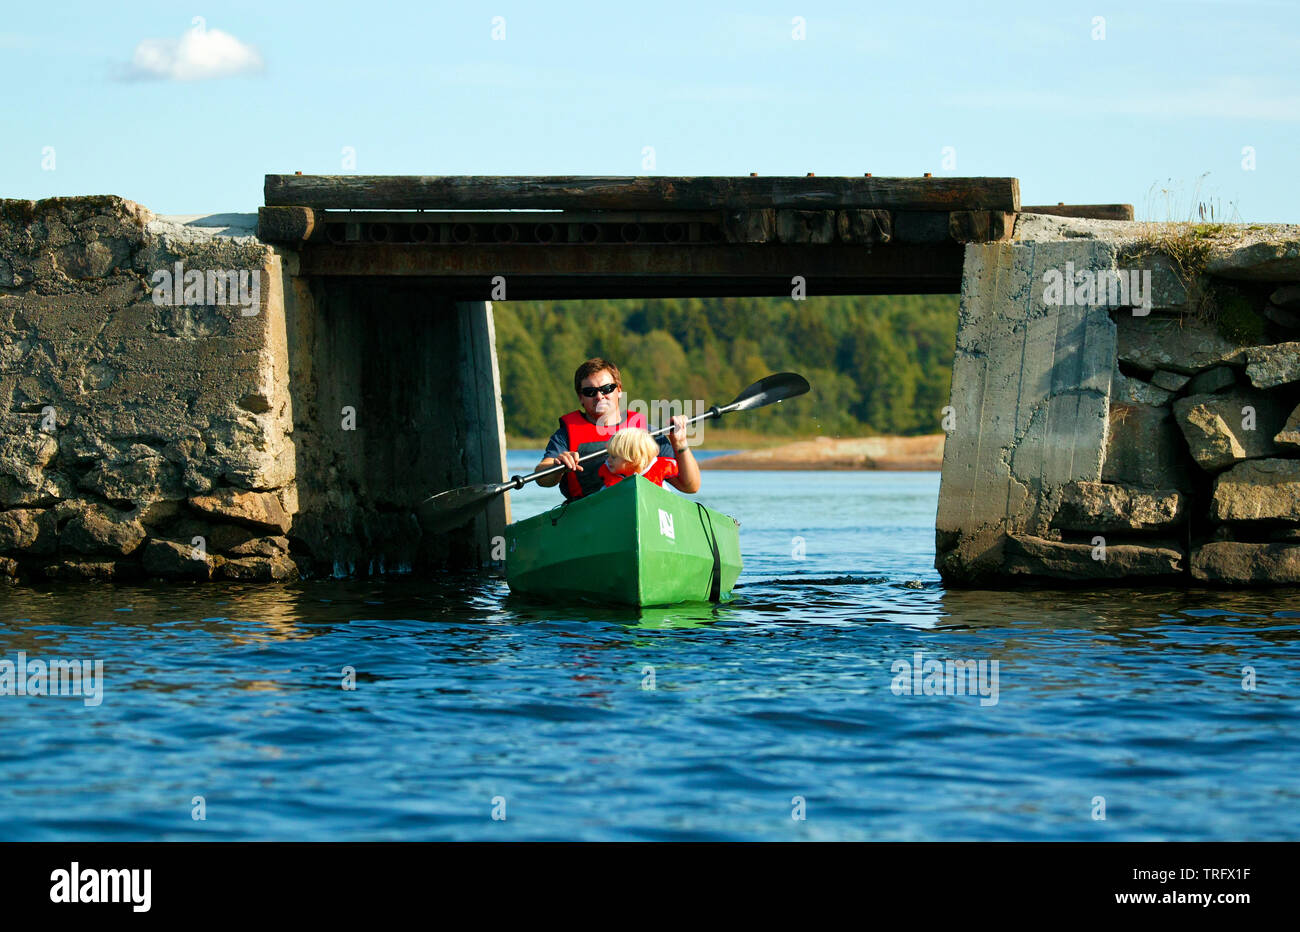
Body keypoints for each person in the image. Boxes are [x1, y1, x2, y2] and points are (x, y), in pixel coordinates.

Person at [535, 357, 701, 500]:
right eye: (590, 391)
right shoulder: (565, 436)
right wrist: (557, 466)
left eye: (607, 389)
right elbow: (542, 477)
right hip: (587, 517)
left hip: (643, 509)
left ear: (619, 390)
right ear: (580, 398)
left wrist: (680, 444)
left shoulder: (648, 433)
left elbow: (690, 486)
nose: (599, 396)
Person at [597, 427, 679, 488]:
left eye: (613, 457)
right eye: (609, 455)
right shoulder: (609, 481)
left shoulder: (656, 469)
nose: (608, 460)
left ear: (633, 459)